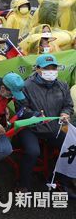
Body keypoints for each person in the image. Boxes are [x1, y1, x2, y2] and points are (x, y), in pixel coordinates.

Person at [15, 54, 74, 191]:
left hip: (54, 128)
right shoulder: (26, 85)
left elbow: (68, 104)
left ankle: (58, 179)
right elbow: (20, 109)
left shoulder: (62, 85)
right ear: (37, 69)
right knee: (32, 152)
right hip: (31, 128)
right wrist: (34, 115)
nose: (51, 71)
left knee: (70, 148)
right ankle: (23, 183)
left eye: (53, 67)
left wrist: (65, 113)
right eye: (46, 68)